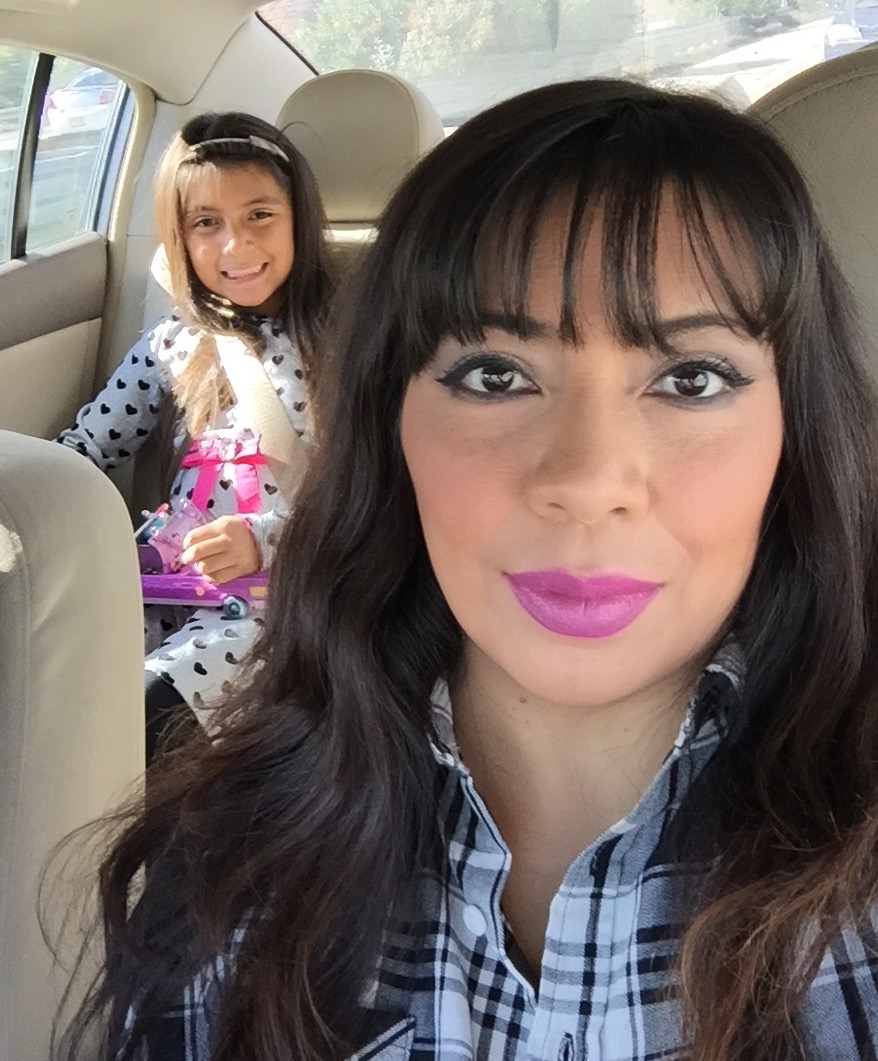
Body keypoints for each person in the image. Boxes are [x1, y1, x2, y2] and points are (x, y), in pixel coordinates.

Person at [60, 80, 878, 1061]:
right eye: (494, 374)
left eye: (690, 378)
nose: (586, 482)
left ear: (796, 435)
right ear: (389, 431)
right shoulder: (229, 879)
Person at [57, 112, 334, 758]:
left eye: (260, 215)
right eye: (206, 223)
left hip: (280, 599)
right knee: (53, 692)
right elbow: (85, 449)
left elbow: (374, 490)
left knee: (131, 720)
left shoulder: (350, 338)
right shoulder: (173, 343)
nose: (235, 246)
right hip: (158, 586)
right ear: (179, 237)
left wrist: (264, 539)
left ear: (299, 217)